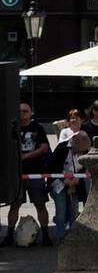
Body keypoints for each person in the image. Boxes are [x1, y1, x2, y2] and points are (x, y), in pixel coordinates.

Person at [1, 102, 52, 247]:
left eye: (25, 111)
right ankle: (9, 236)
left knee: (40, 205)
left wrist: (27, 156)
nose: (22, 113)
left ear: (31, 113)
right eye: (19, 111)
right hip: (16, 174)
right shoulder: (11, 128)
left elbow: (44, 148)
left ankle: (46, 236)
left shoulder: (38, 128)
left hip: (35, 173)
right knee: (14, 206)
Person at [47, 131, 91, 240]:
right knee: (61, 209)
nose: (82, 151)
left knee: (74, 210)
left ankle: (73, 235)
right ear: (74, 141)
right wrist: (63, 179)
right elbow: (51, 166)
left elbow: (87, 168)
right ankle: (61, 236)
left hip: (75, 183)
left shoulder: (86, 150)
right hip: (59, 182)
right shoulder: (62, 147)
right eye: (80, 149)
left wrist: (77, 178)